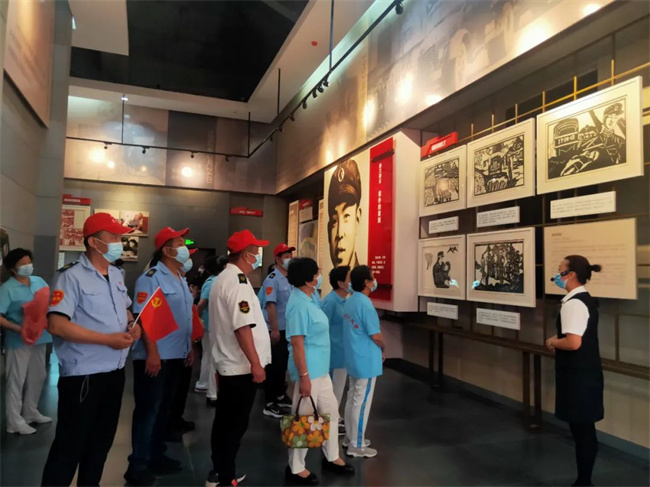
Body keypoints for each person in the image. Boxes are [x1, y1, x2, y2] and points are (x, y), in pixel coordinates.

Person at [42, 213, 142, 486]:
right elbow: (56, 325)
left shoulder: (116, 274)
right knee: (69, 447)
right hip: (84, 376)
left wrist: (133, 325)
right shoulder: (70, 276)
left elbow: (126, 309)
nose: (120, 242)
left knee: (100, 445)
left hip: (114, 373)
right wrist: (106, 339)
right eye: (114, 237)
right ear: (94, 242)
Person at [125, 227, 194, 486]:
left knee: (164, 409)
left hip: (176, 355)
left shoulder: (180, 278)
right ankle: (138, 465)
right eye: (180, 243)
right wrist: (152, 352)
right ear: (166, 250)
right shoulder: (151, 277)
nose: (185, 248)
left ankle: (156, 454)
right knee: (148, 411)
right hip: (155, 357)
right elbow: (143, 317)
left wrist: (188, 348)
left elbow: (185, 317)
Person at [206, 230, 272, 487]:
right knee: (234, 424)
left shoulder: (224, 278)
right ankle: (226, 477)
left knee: (225, 421)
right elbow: (242, 327)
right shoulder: (238, 282)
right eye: (256, 251)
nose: (258, 256)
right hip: (239, 367)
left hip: (231, 364)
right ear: (245, 254)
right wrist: (255, 363)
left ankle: (220, 470)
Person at [284, 258, 355, 485]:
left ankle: (332, 456)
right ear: (308, 279)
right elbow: (297, 343)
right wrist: (304, 377)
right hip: (308, 372)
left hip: (321, 370)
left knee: (330, 412)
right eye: (316, 273)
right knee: (304, 418)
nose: (319, 276)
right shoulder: (298, 304)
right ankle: (296, 467)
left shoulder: (311, 297)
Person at [545, 255, 604, 487]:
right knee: (584, 429)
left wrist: (552, 341)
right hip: (585, 374)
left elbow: (573, 342)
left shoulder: (574, 304)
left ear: (570, 275)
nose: (556, 274)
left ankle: (584, 481)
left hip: (578, 377)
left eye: (560, 269)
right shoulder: (584, 300)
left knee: (583, 431)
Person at [0, 248, 52, 435]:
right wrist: (18, 328)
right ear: (12, 268)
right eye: (22, 264)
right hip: (18, 340)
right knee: (16, 379)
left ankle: (30, 412)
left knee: (38, 375)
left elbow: (48, 303)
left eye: (29, 262)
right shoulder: (7, 289)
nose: (27, 266)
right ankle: (14, 421)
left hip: (40, 336)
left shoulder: (39, 282)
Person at [343, 265, 384, 458]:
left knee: (353, 398)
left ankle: (350, 437)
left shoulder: (350, 300)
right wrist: (383, 347)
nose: (374, 281)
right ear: (367, 282)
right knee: (361, 402)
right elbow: (375, 335)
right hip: (366, 360)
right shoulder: (365, 304)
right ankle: (356, 444)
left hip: (354, 357)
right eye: (372, 278)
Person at [258, 243, 295, 418]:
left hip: (288, 329)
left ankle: (280, 395)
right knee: (274, 366)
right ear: (278, 259)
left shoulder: (290, 278)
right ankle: (270, 402)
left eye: (290, 255)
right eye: (286, 256)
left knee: (282, 365)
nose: (289, 259)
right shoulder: (272, 279)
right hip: (276, 329)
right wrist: (274, 329)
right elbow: (270, 305)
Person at [195, 255, 228, 406]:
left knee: (208, 355)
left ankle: (204, 383)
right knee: (210, 355)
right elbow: (202, 304)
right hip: (209, 325)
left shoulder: (214, 280)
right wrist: (196, 320)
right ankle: (205, 384)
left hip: (211, 324)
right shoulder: (213, 282)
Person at [320, 266, 350, 415]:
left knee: (339, 388)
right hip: (333, 354)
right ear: (340, 283)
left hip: (342, 352)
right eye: (349, 279)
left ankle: (334, 417)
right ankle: (331, 418)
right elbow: (322, 329)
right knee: (332, 390)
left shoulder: (345, 301)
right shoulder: (330, 302)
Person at [327, 159, 362, 268]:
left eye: (346, 216)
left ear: (357, 220)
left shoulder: (363, 278)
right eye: (334, 221)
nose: (339, 233)